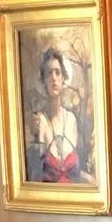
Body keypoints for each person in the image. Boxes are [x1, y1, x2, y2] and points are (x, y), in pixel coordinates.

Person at [27, 46, 92, 183]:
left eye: (57, 73)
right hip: (49, 201)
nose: (54, 79)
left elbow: (76, 173)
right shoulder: (39, 121)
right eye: (49, 73)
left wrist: (95, 182)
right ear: (44, 80)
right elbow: (34, 176)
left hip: (75, 200)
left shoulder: (71, 120)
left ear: (64, 79)